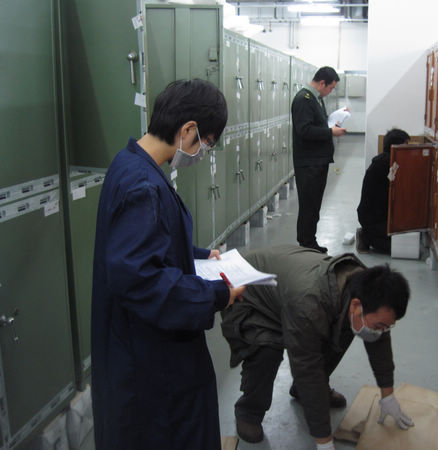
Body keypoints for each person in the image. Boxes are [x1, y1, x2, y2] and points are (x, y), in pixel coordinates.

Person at [91, 79, 246, 450]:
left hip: (137, 345)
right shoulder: (143, 186)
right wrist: (217, 294)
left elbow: (147, 246)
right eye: (207, 142)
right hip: (149, 361)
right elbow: (141, 280)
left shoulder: (130, 163)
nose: (203, 152)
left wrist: (197, 255)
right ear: (188, 130)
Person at [221, 245, 413, 449]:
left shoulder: (368, 290)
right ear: (356, 305)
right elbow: (307, 369)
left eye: (386, 326)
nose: (381, 331)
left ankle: (303, 393)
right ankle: (249, 411)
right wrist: (324, 442)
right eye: (380, 326)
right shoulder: (309, 305)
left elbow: (379, 340)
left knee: (345, 328)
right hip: (246, 291)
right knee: (267, 350)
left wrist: (387, 396)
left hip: (286, 294)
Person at [291, 66, 347, 253]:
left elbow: (317, 123)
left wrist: (334, 121)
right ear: (322, 83)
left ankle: (310, 240)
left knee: (314, 204)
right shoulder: (304, 99)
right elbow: (304, 130)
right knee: (309, 205)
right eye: (331, 87)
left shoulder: (315, 98)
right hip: (309, 163)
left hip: (317, 161)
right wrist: (331, 132)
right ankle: (306, 244)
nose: (331, 91)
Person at [356, 128, 410, 254]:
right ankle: (366, 236)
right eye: (406, 144)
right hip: (374, 219)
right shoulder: (387, 164)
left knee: (404, 241)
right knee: (398, 248)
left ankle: (370, 234)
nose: (407, 148)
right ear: (396, 146)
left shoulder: (386, 159)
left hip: (376, 215)